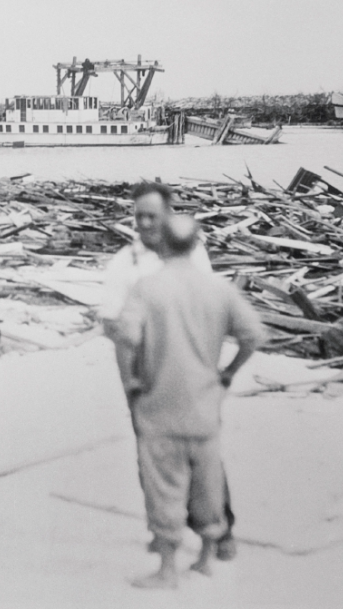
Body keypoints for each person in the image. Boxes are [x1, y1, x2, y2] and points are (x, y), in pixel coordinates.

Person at [115, 215, 264, 589]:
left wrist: (132, 381)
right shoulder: (219, 289)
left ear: (162, 244)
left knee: (164, 486)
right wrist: (228, 372)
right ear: (197, 244)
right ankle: (205, 558)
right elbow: (254, 335)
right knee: (207, 484)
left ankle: (167, 569)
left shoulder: (147, 288)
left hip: (160, 405)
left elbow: (127, 339)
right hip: (204, 404)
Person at [100, 181, 241, 561]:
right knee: (150, 458)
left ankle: (221, 531)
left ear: (167, 215)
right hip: (148, 374)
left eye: (153, 215)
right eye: (140, 216)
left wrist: (218, 370)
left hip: (193, 370)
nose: (146, 223)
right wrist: (129, 381)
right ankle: (165, 535)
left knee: (205, 458)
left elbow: (211, 310)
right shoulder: (124, 263)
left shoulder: (194, 255)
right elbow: (113, 326)